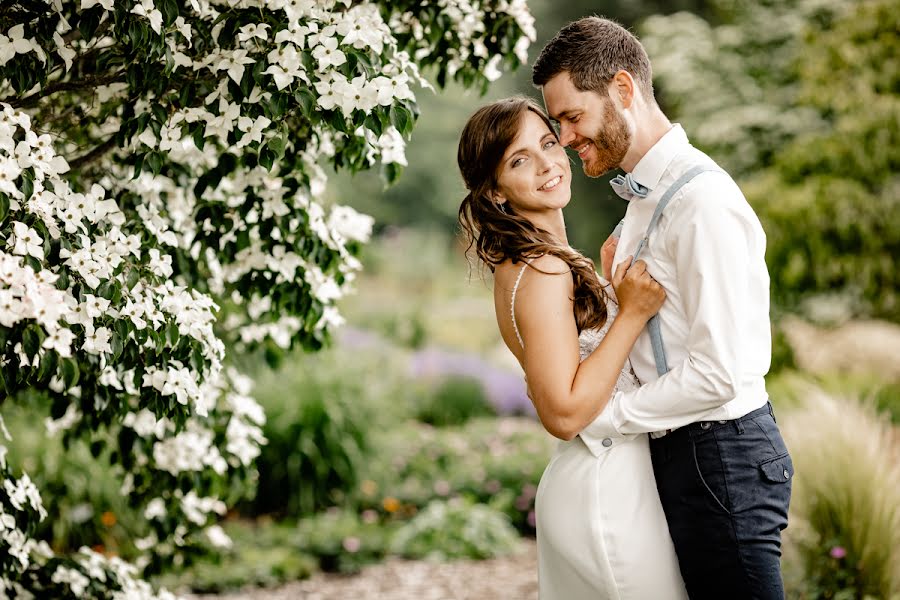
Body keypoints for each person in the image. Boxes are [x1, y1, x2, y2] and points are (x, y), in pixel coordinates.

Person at [531, 16, 794, 599]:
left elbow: (721, 371)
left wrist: (607, 418)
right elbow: (660, 331)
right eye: (559, 123)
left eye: (572, 117)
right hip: (681, 448)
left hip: (721, 455)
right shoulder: (645, 200)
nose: (567, 139)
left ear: (623, 91)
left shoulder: (703, 203)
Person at [457, 96, 688, 599]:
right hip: (605, 486)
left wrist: (605, 289)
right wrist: (629, 312)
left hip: (606, 478)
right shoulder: (541, 269)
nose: (547, 164)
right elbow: (561, 412)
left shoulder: (535, 261)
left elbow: (576, 352)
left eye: (547, 143)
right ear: (495, 191)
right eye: (519, 160)